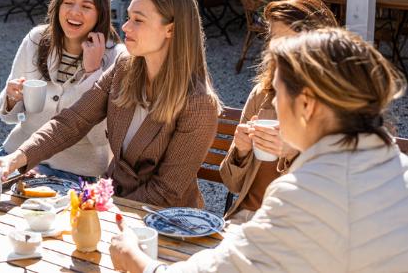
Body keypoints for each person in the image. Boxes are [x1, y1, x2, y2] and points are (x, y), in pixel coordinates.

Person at [109, 27, 408, 273]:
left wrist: (137, 261)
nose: (273, 102)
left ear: (306, 104)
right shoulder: (397, 166)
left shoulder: (304, 195)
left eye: (278, 92)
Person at [0, 0, 220, 207]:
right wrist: (13, 160)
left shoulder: (199, 103)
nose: (125, 26)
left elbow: (166, 191)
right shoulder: (124, 68)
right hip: (110, 202)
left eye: (138, 20)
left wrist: (100, 205)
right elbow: (72, 122)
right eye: (128, 17)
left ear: (171, 30)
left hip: (163, 227)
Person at [0, 0, 126, 182]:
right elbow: (10, 118)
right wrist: (11, 99)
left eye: (86, 6)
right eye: (68, 2)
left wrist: (92, 73)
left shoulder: (116, 57)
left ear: (101, 14)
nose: (74, 12)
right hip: (18, 155)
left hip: (76, 170)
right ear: (57, 6)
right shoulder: (37, 39)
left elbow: (99, 138)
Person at [220, 0, 338, 223]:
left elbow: (338, 195)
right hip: (246, 220)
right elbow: (231, 183)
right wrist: (241, 152)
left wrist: (294, 152)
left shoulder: (338, 106)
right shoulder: (262, 95)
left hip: (301, 228)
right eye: (275, 41)